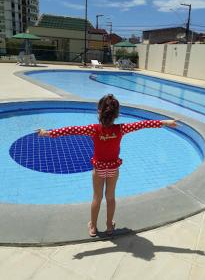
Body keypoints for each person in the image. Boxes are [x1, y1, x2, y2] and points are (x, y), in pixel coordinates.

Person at [37, 94, 177, 237]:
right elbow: (143, 125)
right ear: (116, 114)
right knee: (110, 197)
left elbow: (70, 130)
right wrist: (165, 122)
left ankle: (93, 227)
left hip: (99, 170)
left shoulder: (93, 129)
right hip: (113, 169)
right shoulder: (121, 129)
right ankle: (110, 225)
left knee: (97, 198)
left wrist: (48, 133)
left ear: (99, 112)